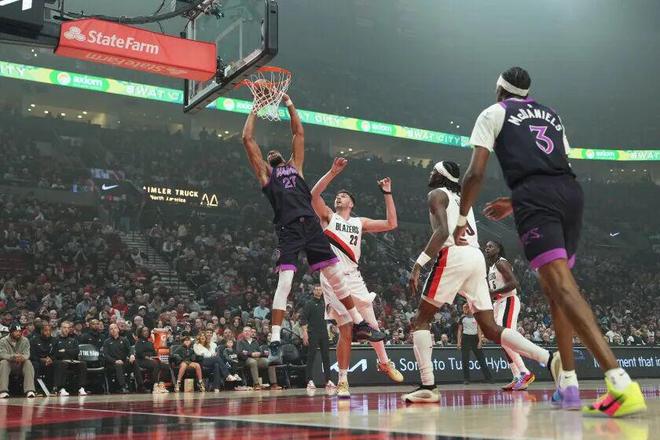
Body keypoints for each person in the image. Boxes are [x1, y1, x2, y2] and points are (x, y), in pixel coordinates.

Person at [457, 66, 646, 417]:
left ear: (499, 90)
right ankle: (568, 384)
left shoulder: (493, 113)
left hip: (535, 197)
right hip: (569, 193)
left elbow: (475, 173)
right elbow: (557, 163)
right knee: (554, 289)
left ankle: (620, 384)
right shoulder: (551, 114)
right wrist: (514, 201)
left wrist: (461, 218)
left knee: (562, 286)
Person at [241, 92, 384, 364]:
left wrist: (289, 103)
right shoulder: (266, 175)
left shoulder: (295, 168)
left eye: (274, 152)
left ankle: (359, 323)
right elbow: (248, 139)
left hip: (311, 227)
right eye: (268, 153)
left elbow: (298, 133)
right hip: (289, 230)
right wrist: (255, 107)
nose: (271, 152)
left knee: (335, 275)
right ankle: (274, 338)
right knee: (285, 282)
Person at [402, 161, 561, 404]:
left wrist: (418, 264)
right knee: (490, 329)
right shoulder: (461, 200)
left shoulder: (436, 194)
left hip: (453, 255)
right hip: (475, 258)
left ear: (442, 176)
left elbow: (443, 232)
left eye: (434, 170)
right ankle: (548, 359)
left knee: (421, 320)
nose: (430, 173)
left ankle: (428, 385)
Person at [310, 157, 403, 397]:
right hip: (332, 277)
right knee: (346, 329)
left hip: (354, 276)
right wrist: (332, 172)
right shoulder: (328, 217)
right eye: (337, 196)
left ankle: (384, 363)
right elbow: (313, 196)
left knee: (372, 325)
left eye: (343, 196)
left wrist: (388, 193)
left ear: (351, 203)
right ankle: (343, 380)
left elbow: (392, 223)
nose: (338, 198)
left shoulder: (359, 222)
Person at [485, 240, 534, 391]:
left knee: (505, 337)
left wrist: (493, 293)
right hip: (498, 303)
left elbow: (514, 283)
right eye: (486, 247)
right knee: (502, 340)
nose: (487, 248)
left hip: (508, 300)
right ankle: (517, 376)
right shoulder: (492, 267)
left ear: (498, 249)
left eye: (490, 246)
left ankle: (525, 372)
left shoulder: (501, 263)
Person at [301, 285, 335, 394]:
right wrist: (305, 333)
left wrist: (335, 325)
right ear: (313, 291)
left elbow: (330, 317)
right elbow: (303, 319)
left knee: (326, 357)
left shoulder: (324, 304)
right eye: (316, 289)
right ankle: (309, 380)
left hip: (324, 333)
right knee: (311, 356)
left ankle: (328, 380)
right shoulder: (309, 304)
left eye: (320, 289)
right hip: (313, 333)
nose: (318, 291)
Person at [457, 303, 493, 384]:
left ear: (470, 309)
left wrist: (480, 341)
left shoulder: (477, 318)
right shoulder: (462, 318)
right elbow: (459, 330)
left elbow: (479, 329)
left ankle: (489, 378)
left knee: (481, 359)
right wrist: (458, 342)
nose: (464, 310)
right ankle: (466, 379)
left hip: (475, 338)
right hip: (465, 338)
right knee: (465, 359)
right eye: (464, 308)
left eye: (466, 308)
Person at [52, 321, 88, 396]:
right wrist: (69, 352)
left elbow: (76, 351)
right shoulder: (55, 340)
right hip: (59, 361)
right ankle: (61, 388)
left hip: (71, 361)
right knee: (63, 363)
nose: (66, 329)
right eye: (64, 327)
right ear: (60, 328)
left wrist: (65, 351)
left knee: (83, 364)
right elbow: (56, 353)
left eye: (68, 328)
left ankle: (81, 388)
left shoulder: (73, 340)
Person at [0, 323, 36, 398]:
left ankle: (30, 390)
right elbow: (2, 354)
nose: (18, 333)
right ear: (11, 332)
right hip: (9, 365)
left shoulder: (25, 340)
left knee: (28, 362)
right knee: (3, 362)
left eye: (20, 331)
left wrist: (22, 357)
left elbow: (27, 354)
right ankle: (3, 391)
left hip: (20, 365)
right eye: (16, 331)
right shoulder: (3, 341)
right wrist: (13, 357)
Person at [103, 323, 139, 394]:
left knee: (134, 362)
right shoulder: (106, 342)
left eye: (115, 328)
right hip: (112, 364)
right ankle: (123, 387)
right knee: (118, 365)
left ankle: (140, 385)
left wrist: (131, 355)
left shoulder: (124, 340)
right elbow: (106, 355)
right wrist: (115, 361)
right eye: (111, 329)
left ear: (118, 330)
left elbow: (129, 350)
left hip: (124, 361)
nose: (113, 330)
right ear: (109, 331)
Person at [134, 327, 168, 394]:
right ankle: (155, 385)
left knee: (165, 365)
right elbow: (139, 353)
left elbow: (154, 353)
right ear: (140, 333)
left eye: (147, 331)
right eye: (144, 331)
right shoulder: (138, 342)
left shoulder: (150, 342)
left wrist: (156, 357)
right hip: (141, 360)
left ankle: (161, 384)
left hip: (151, 359)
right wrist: (147, 357)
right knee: (155, 364)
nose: (146, 332)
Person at [30, 323, 54, 390]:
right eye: (46, 330)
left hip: (49, 360)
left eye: (49, 330)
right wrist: (41, 359)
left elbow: (56, 353)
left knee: (56, 364)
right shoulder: (34, 340)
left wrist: (51, 359)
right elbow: (32, 355)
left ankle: (52, 388)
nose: (48, 332)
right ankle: (35, 388)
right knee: (35, 365)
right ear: (41, 331)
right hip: (37, 360)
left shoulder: (54, 340)